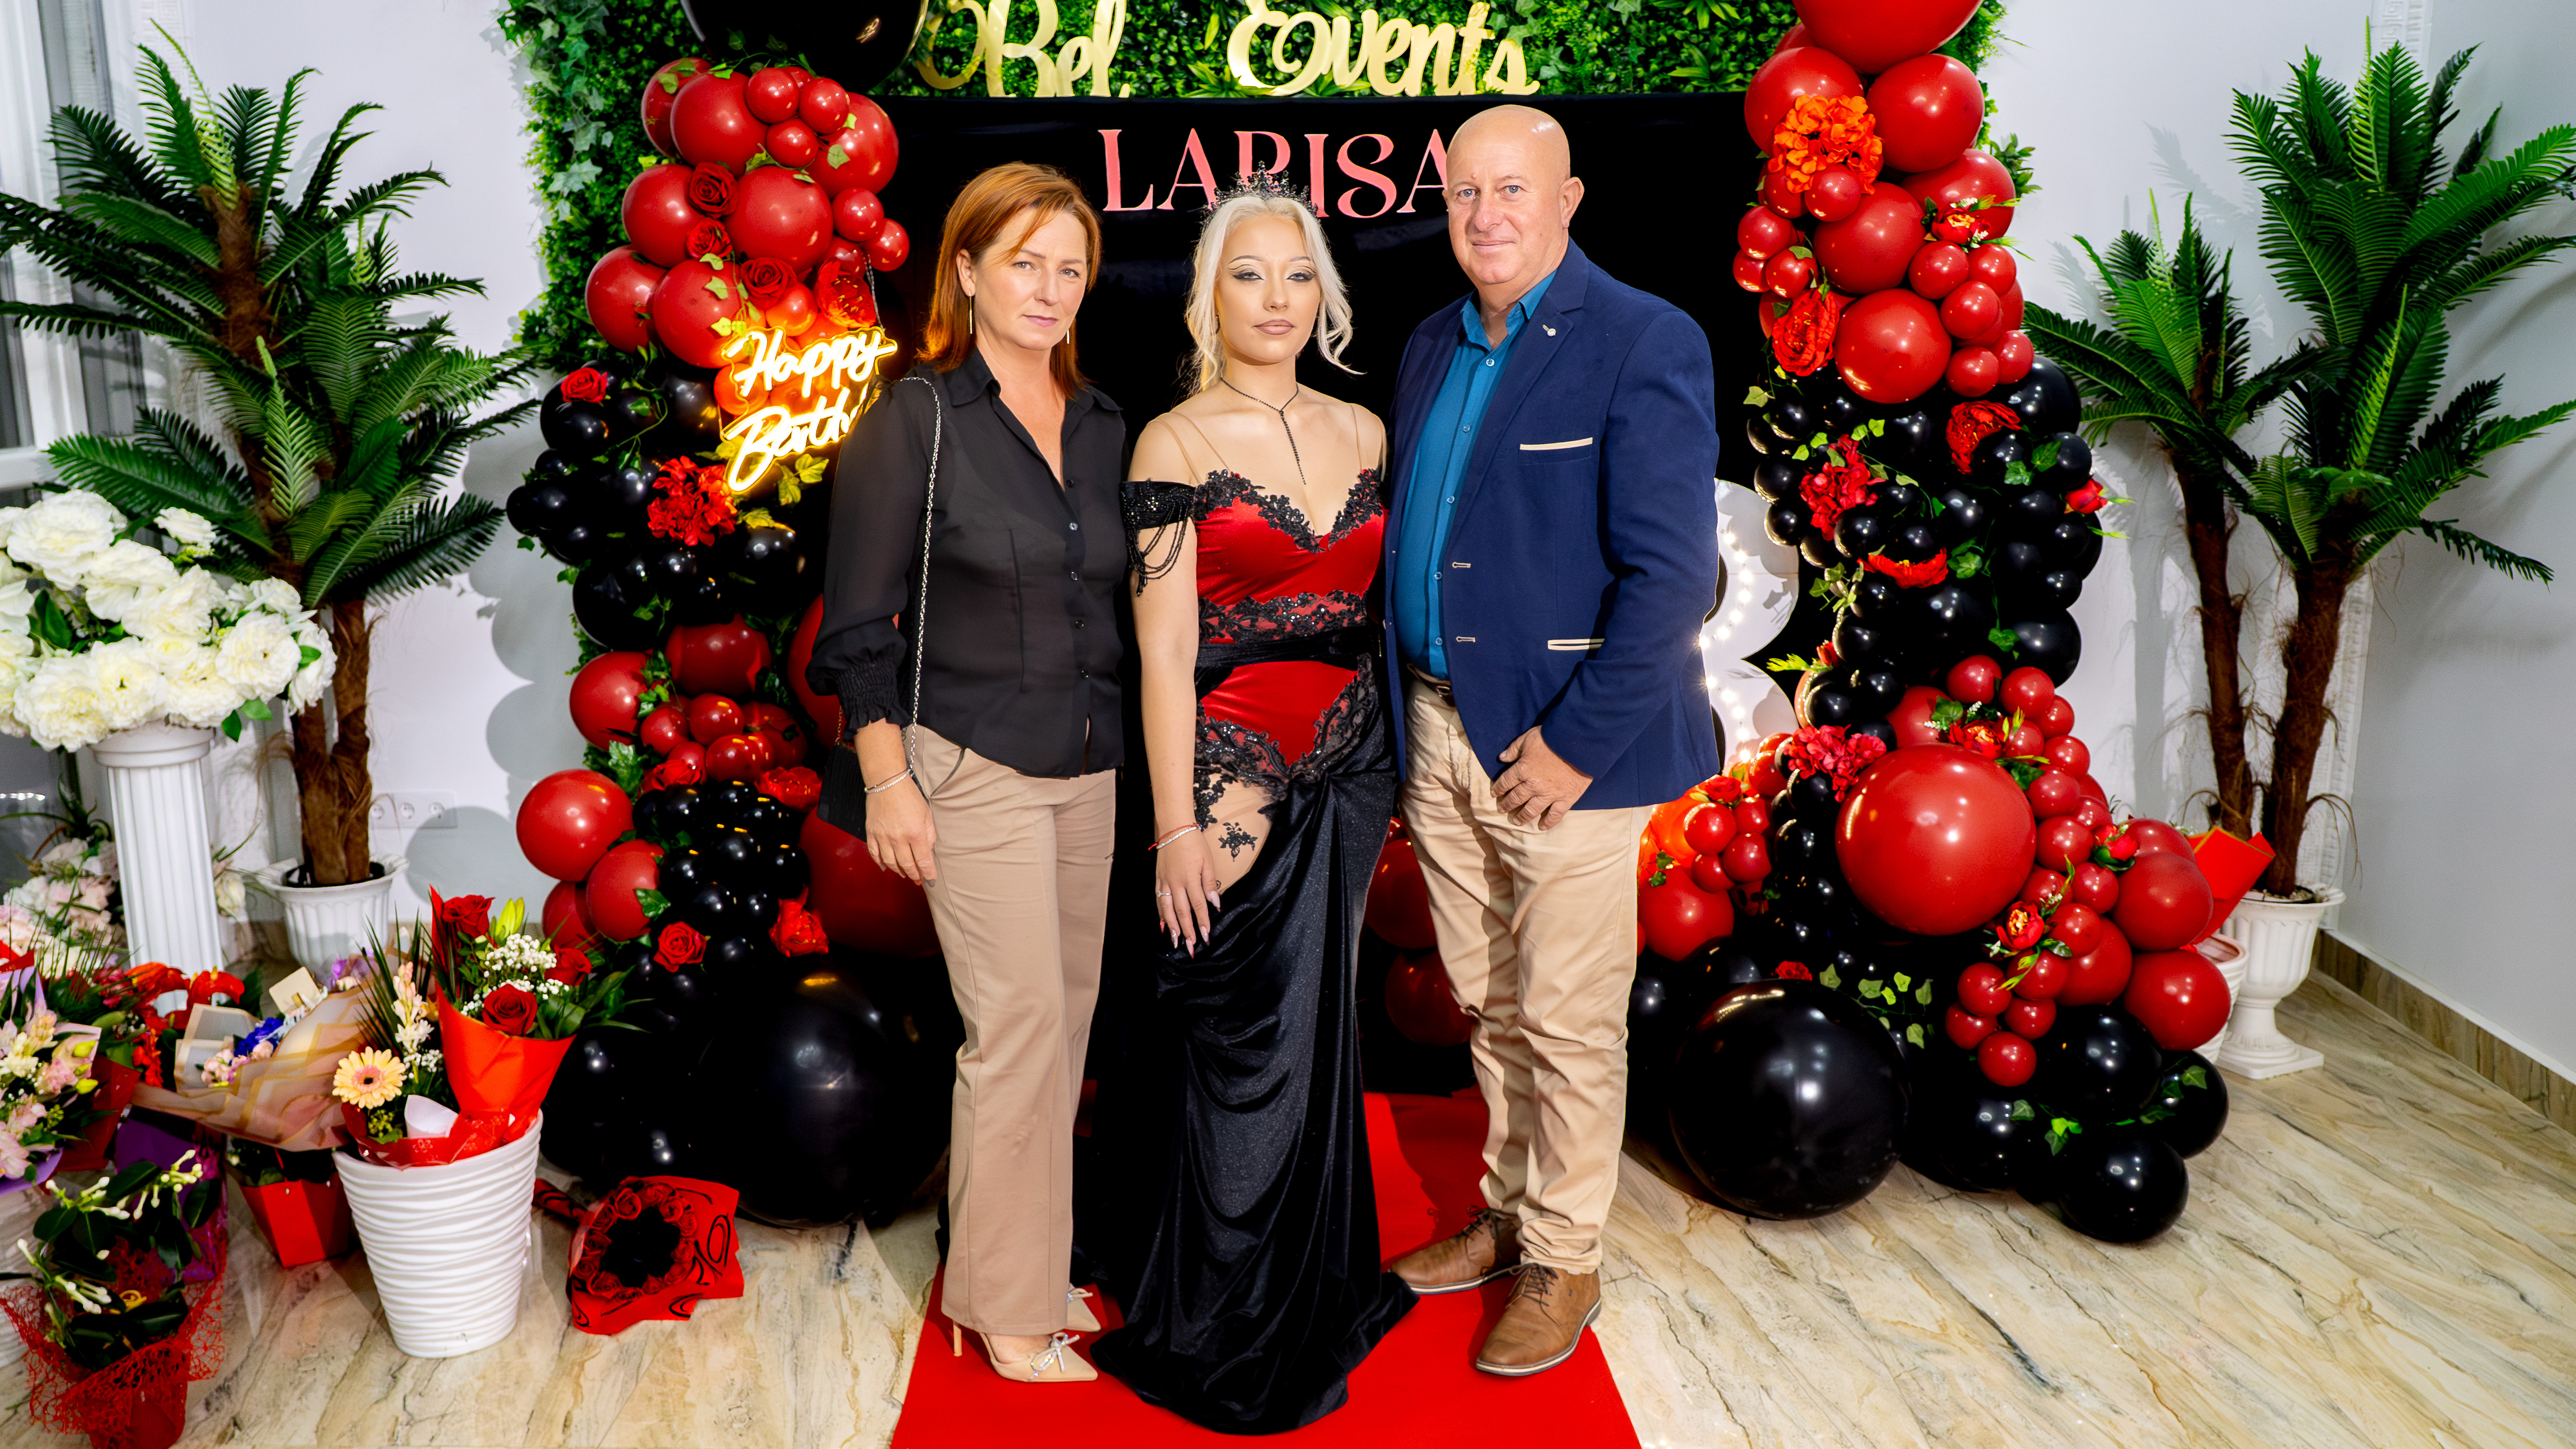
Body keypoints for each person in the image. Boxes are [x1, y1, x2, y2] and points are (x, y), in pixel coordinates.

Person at [1379, 104, 1720, 1376]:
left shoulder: (1644, 338)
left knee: (1570, 1018)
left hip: (1566, 752)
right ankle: (1511, 1214)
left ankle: (1566, 1257)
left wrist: (1574, 746)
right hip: (1437, 724)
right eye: (1466, 192)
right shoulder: (1431, 342)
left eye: (1513, 189)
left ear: (1569, 200)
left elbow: (1673, 577)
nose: (1487, 215)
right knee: (1492, 999)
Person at [1085, 177, 1414, 1433]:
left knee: (1321, 1026)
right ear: (1207, 297)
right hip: (1233, 762)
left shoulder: (1367, 431)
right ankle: (1222, 1308)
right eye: (1247, 274)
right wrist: (1174, 824)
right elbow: (1164, 652)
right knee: (1237, 1034)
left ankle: (1312, 1274)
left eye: (1296, 274)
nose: (1276, 298)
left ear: (1322, 293)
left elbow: (1379, 614)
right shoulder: (1173, 442)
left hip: (1355, 761)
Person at [806, 162, 1124, 1385]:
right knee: (1017, 1029)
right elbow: (856, 623)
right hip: (969, 760)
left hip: (1089, 764)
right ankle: (1000, 1304)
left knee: (1067, 1028)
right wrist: (889, 779)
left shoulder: (1103, 424)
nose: (1049, 288)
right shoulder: (918, 418)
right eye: (1024, 262)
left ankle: (1037, 1267)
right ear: (968, 271)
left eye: (1070, 268)